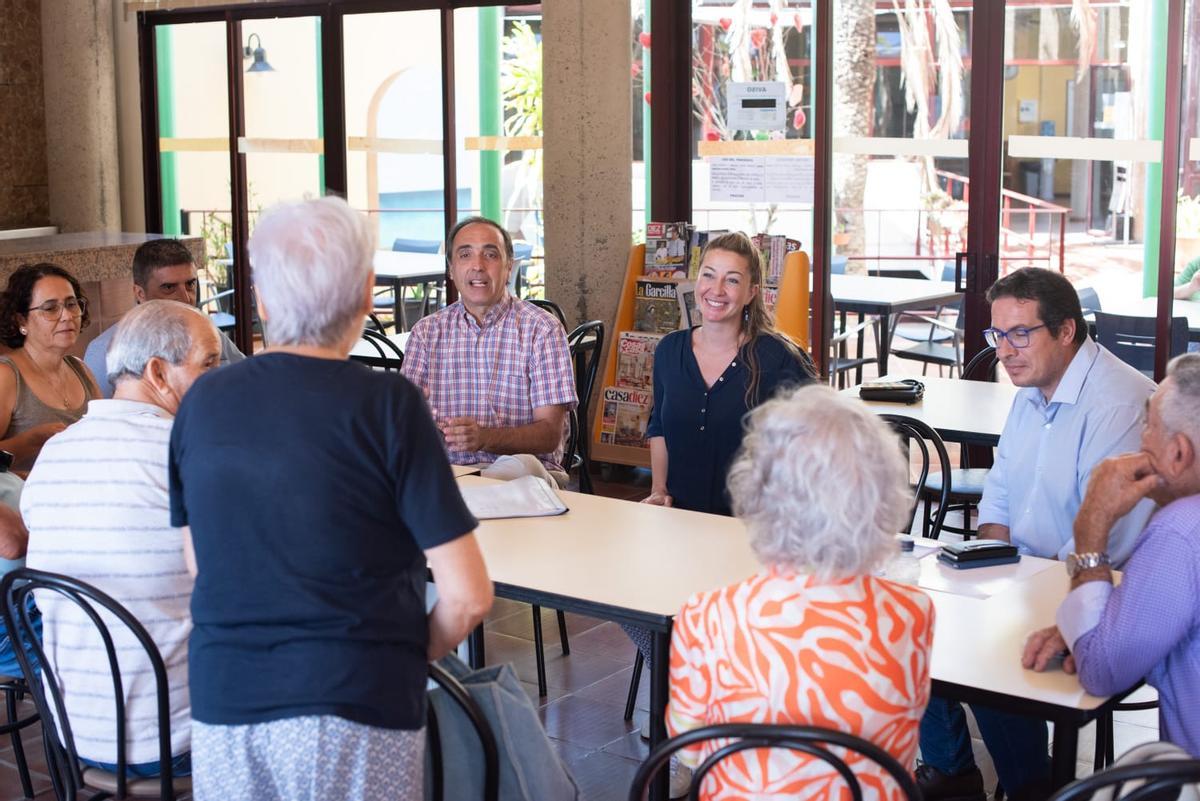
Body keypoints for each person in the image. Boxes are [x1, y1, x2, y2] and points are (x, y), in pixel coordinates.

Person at [170, 197, 493, 801]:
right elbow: (469, 595)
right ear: (367, 293)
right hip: (359, 694)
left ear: (262, 299)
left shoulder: (202, 403)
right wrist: (402, 653)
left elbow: (201, 567)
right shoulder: (390, 406)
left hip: (225, 695)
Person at [919, 266, 1157, 801]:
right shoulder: (1032, 386)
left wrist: (1011, 596)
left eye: (1020, 333)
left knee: (986, 653)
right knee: (913, 618)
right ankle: (952, 775)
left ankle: (1032, 788)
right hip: (1027, 573)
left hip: (1099, 586)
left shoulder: (1118, 403)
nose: (1005, 350)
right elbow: (999, 495)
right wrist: (993, 568)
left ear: (1066, 330)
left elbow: (1107, 540)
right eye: (997, 335)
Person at [667, 384, 934, 800]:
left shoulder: (706, 615)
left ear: (758, 492)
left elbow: (692, 750)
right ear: (881, 498)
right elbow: (902, 734)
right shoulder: (912, 611)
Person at [21, 299, 221, 776]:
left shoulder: (54, 452)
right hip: (179, 737)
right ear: (158, 372)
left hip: (75, 729)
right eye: (209, 364)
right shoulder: (187, 456)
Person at [1024, 352, 1200, 757]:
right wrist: (1095, 626)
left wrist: (1092, 526)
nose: (1141, 437)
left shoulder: (1179, 532)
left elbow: (1102, 671)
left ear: (1178, 453)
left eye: (1149, 426)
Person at [643, 230, 814, 516]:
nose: (717, 289)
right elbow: (658, 426)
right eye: (708, 275)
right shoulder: (669, 350)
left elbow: (813, 445)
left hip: (755, 528)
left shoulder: (779, 358)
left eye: (732, 280)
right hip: (679, 521)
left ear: (751, 293)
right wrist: (659, 491)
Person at [402, 216, 577, 487]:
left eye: (490, 255)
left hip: (527, 478)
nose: (477, 266)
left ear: (509, 267)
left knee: (520, 466)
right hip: (448, 477)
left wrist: (484, 437)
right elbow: (404, 428)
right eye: (465, 254)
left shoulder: (542, 329)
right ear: (451, 269)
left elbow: (549, 435)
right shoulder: (426, 333)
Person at [84, 238, 244, 397]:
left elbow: (245, 376)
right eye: (169, 287)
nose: (186, 298)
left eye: (190, 284)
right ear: (140, 293)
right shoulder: (104, 351)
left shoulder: (204, 332)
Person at [0, 263, 100, 474]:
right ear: (21, 320)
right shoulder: (7, 375)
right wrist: (27, 443)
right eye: (50, 308)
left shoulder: (80, 369)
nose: (67, 316)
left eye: (71, 304)